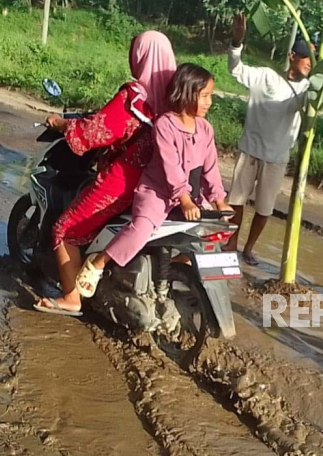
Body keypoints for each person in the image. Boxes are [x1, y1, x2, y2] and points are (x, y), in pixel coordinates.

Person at [33, 31, 176, 316]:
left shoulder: (135, 97)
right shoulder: (176, 99)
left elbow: (97, 130)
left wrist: (62, 124)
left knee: (64, 229)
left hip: (123, 180)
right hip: (164, 183)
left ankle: (71, 298)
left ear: (139, 57)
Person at [76, 63, 233, 295]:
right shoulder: (165, 125)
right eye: (205, 96)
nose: (209, 102)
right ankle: (97, 264)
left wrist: (220, 201)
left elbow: (210, 169)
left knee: (219, 230)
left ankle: (178, 265)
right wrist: (184, 199)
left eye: (210, 96)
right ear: (186, 92)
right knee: (141, 227)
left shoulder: (206, 129)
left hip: (190, 197)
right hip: (158, 193)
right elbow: (170, 166)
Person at [223, 13, 311, 266]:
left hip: (277, 158)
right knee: (236, 200)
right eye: (305, 57)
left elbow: (310, 103)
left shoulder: (307, 90)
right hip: (250, 150)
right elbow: (235, 68)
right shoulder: (265, 77)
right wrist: (237, 42)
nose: (308, 64)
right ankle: (231, 242)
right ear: (293, 56)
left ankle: (249, 248)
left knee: (264, 208)